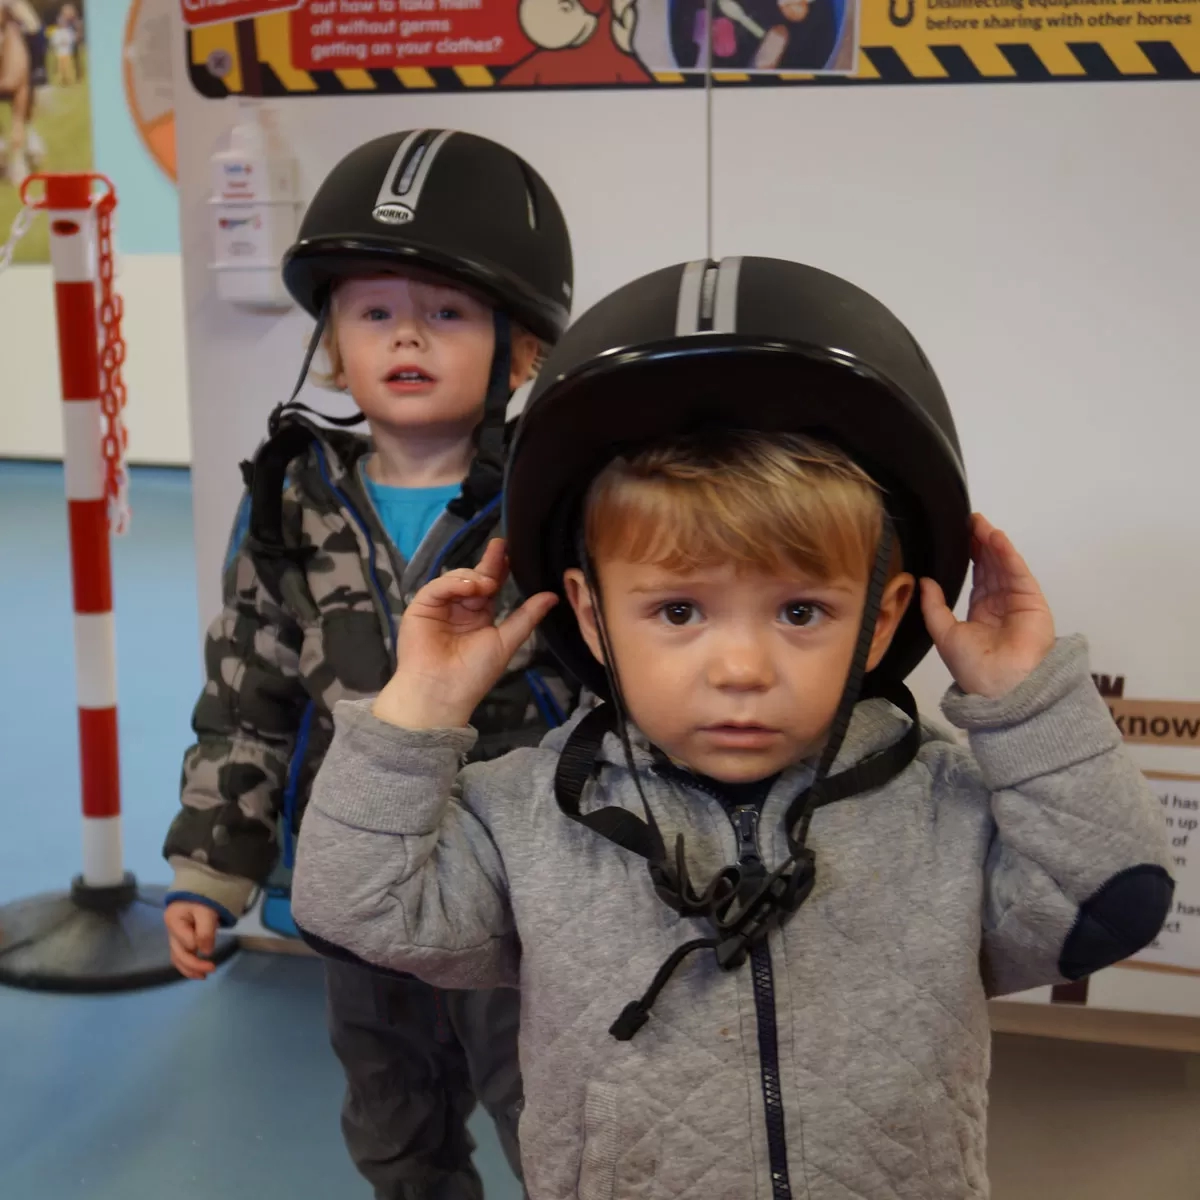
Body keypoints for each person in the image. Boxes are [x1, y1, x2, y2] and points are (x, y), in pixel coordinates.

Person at [290, 256, 1172, 1198]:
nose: (742, 669)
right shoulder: (532, 817)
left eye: (800, 612)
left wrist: (1023, 698)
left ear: (880, 618)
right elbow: (354, 909)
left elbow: (1107, 900)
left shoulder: (942, 808)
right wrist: (418, 706)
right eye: (678, 613)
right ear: (591, 616)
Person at [160, 129, 575, 1199]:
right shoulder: (288, 507)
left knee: (554, 1112)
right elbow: (245, 697)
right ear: (335, 343)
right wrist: (214, 863)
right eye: (375, 311)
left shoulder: (550, 505)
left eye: (446, 313)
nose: (409, 336)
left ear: (518, 348)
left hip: (515, 891)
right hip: (350, 885)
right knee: (393, 1120)